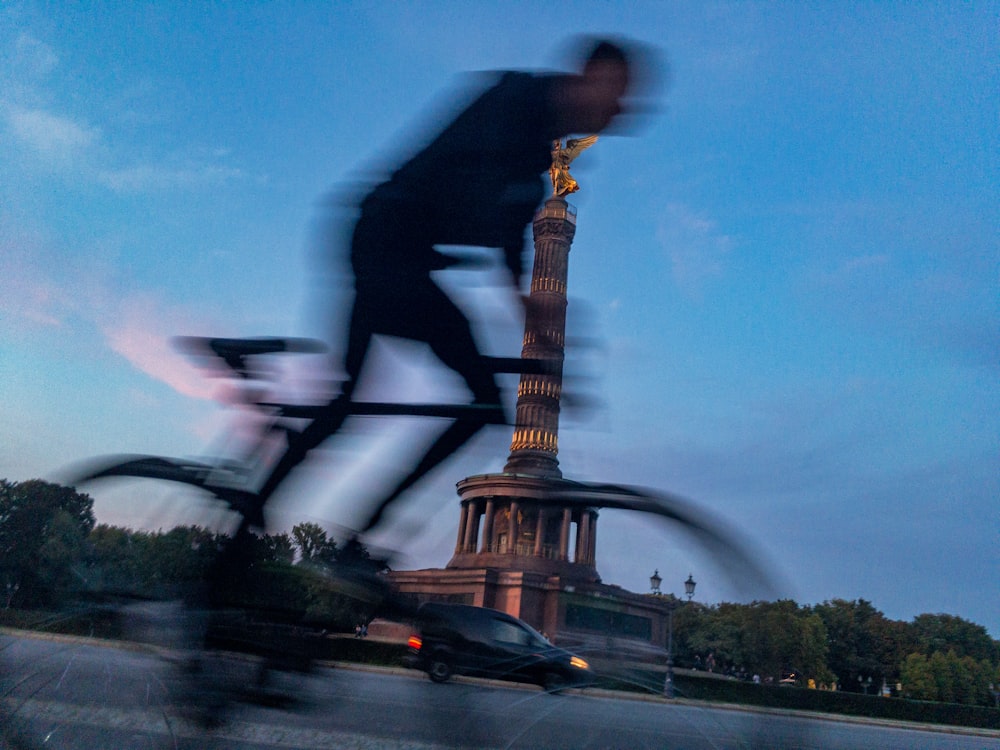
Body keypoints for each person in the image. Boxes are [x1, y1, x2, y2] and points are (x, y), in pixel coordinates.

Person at [255, 37, 650, 530]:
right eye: (618, 93)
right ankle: (351, 537)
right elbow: (483, 200)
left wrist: (535, 323)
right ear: (590, 76)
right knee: (479, 401)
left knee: (349, 406)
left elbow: (506, 244)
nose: (621, 111)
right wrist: (523, 301)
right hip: (388, 243)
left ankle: (255, 518)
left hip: (399, 250)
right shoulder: (516, 103)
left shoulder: (534, 145)